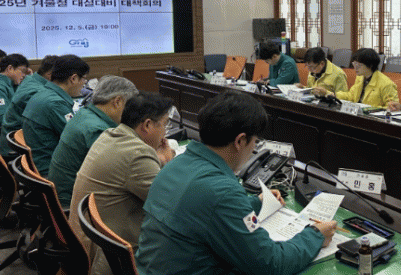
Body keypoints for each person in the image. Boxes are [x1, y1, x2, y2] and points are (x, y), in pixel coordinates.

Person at [136, 91, 336, 275]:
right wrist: (315, 235)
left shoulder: (175, 165)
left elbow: (205, 210)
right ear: (240, 141)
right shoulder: (222, 192)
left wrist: (255, 203)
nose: (254, 148)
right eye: (255, 142)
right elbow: (271, 263)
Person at [69, 92, 175, 275]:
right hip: (112, 256)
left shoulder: (110, 134)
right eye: (164, 124)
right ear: (147, 125)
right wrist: (169, 163)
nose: (165, 132)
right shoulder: (138, 154)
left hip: (89, 241)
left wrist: (160, 161)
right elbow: (170, 203)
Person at [48, 75, 139, 208]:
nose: (132, 113)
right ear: (118, 101)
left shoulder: (85, 113)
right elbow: (124, 173)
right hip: (74, 205)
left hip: (64, 195)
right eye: (130, 107)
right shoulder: (98, 131)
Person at [22, 54, 90, 176]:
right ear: (73, 78)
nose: (84, 84)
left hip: (40, 163)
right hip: (53, 170)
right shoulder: (55, 103)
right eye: (84, 79)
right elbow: (78, 141)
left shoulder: (43, 93)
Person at [0, 55, 58, 157]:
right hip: (16, 150)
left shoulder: (31, 81)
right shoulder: (36, 91)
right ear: (50, 74)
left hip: (16, 142)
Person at [314, 48, 398, 109]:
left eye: (359, 65)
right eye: (354, 64)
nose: (355, 68)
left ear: (370, 65)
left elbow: (392, 108)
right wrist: (330, 94)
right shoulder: (360, 78)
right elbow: (351, 96)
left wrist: (369, 109)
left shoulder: (386, 84)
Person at [0, 53, 30, 129]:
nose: (24, 75)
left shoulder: (11, 85)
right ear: (10, 68)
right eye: (22, 71)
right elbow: (1, 120)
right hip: (0, 134)